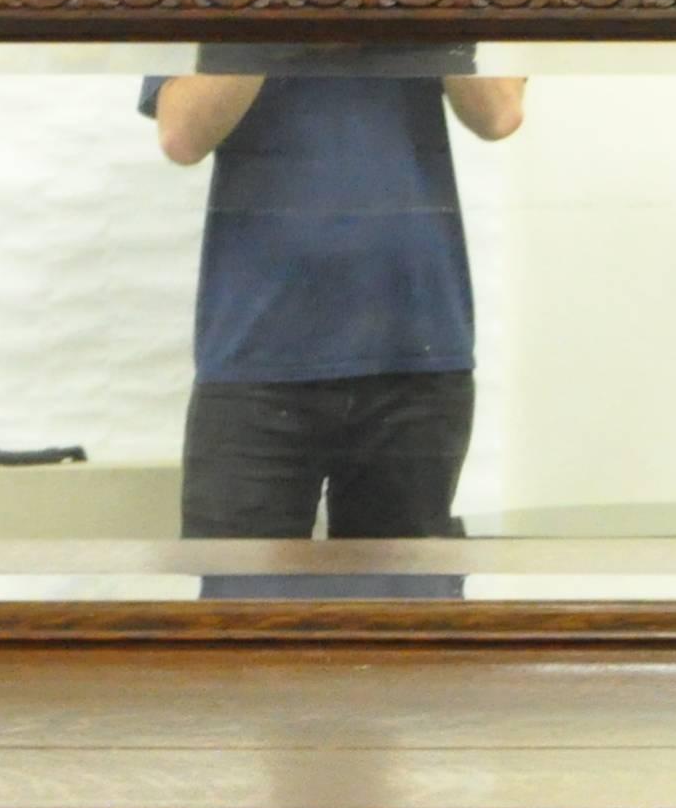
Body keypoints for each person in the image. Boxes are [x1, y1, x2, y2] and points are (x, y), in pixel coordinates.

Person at [140, 46, 526, 547]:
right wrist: (277, 2)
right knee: (241, 617)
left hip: (413, 357)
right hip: (256, 361)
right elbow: (182, 134)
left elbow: (499, 112)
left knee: (405, 618)